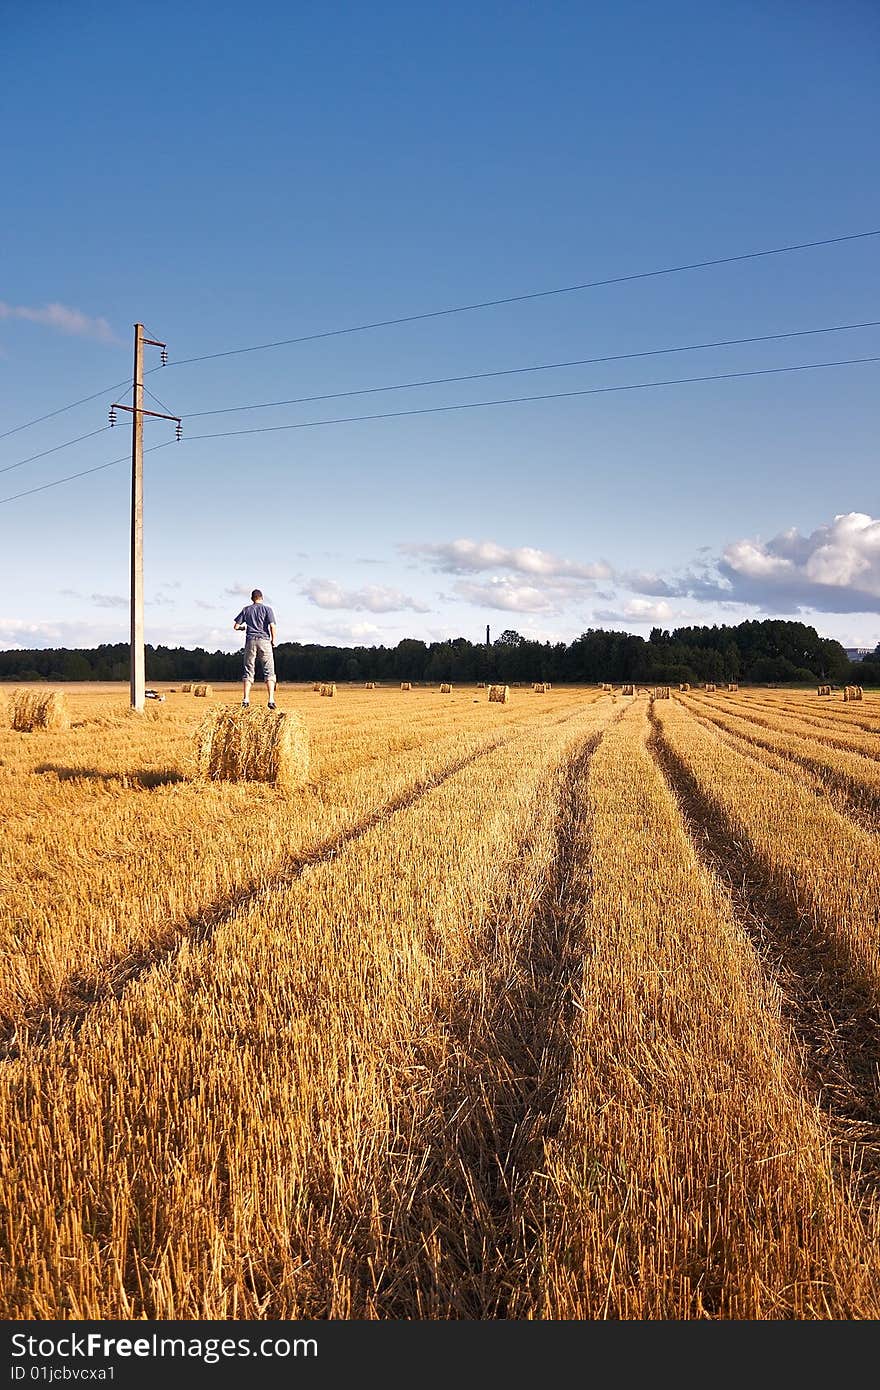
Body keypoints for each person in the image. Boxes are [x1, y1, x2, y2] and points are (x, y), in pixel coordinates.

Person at [233, 588, 277, 708]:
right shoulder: (268, 609)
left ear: (252, 599)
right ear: (262, 598)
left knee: (248, 669)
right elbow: (272, 626)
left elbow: (236, 626)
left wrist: (243, 628)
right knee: (269, 670)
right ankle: (271, 700)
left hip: (250, 641)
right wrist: (273, 640)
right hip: (264, 640)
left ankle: (246, 699)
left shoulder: (246, 609)